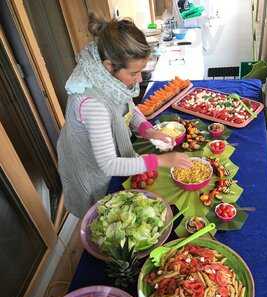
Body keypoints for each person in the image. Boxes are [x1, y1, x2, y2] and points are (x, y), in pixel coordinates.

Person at [57, 13, 192, 218]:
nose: (139, 79)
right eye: (133, 73)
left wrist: (150, 131)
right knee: (101, 212)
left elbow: (127, 107)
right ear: (109, 65)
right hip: (89, 166)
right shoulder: (93, 104)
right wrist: (162, 161)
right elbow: (109, 164)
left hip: (103, 154)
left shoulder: (108, 77)